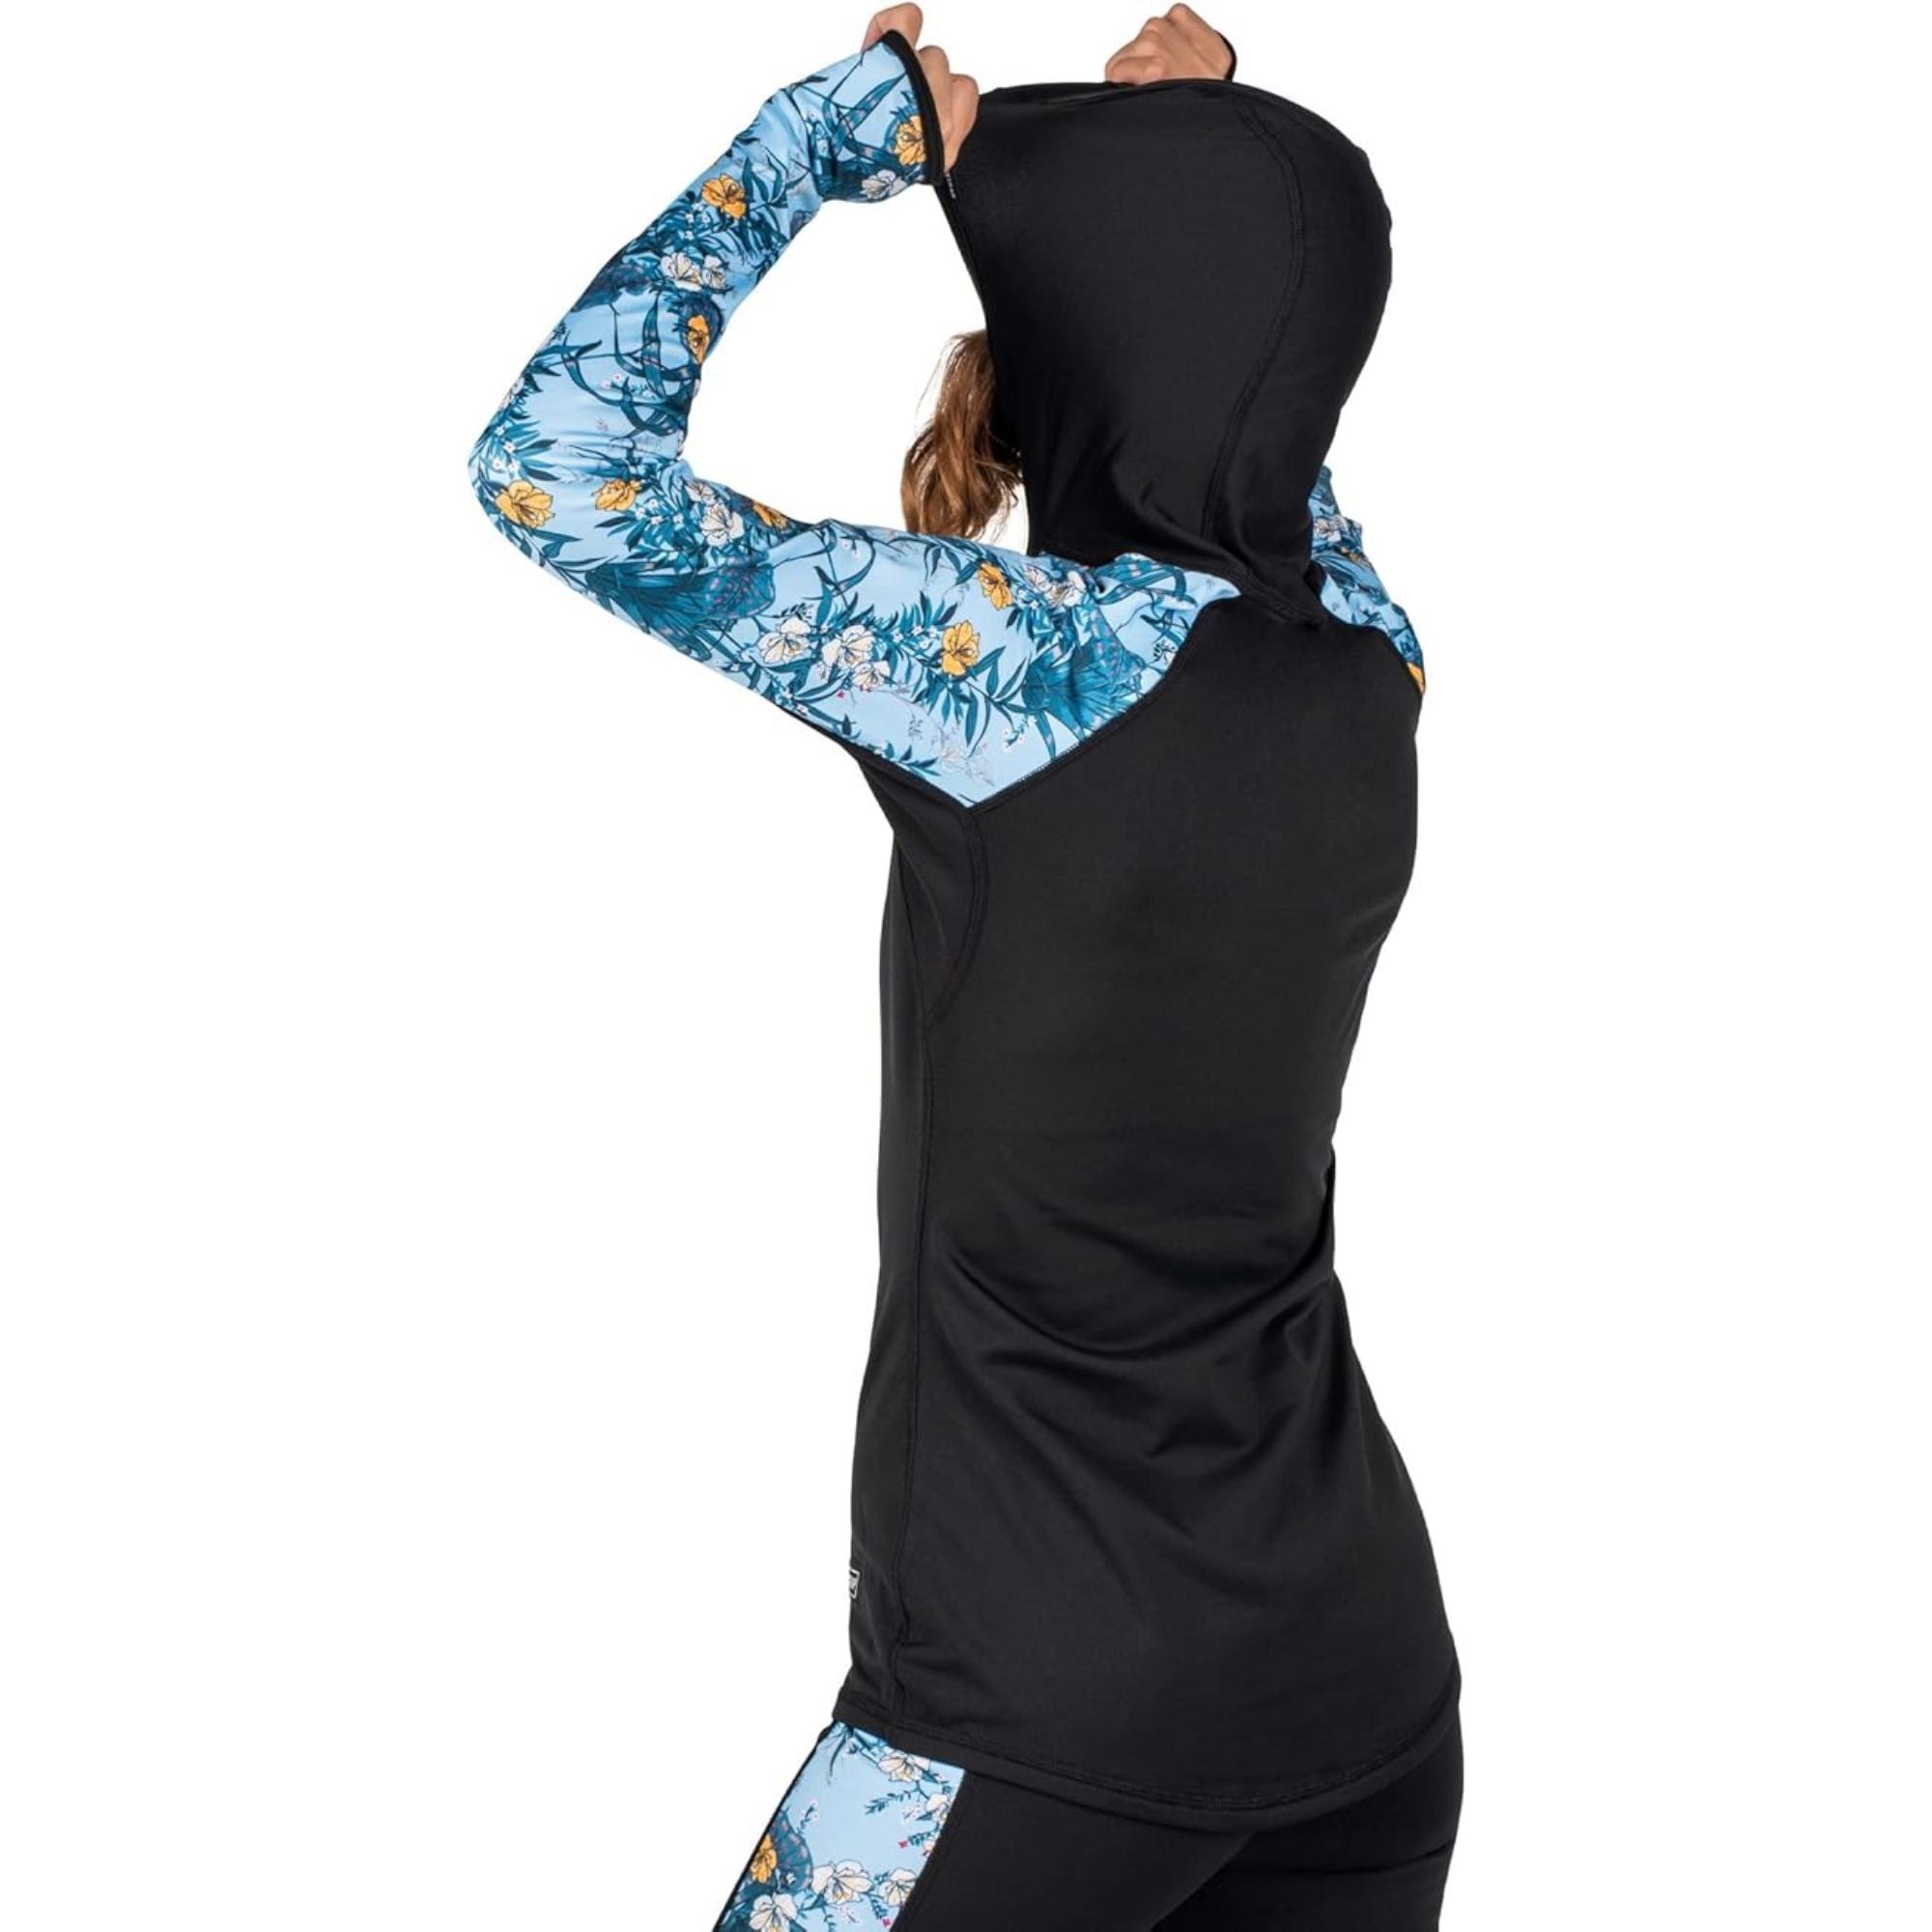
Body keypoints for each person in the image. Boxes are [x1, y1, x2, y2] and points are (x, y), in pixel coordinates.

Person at [467, 7, 1460, 1925]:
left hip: (1033, 1708)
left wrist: (815, 145)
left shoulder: (1012, 668)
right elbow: (1253, 412)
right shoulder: (1372, 660)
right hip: (1365, 1687)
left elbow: (555, 470)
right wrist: (1205, 165)